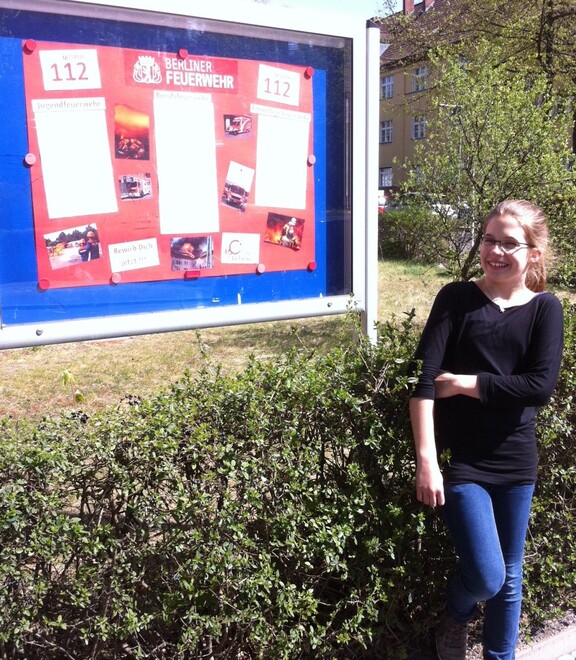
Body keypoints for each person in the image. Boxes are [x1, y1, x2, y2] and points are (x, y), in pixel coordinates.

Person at [409, 200, 563, 660]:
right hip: (464, 465)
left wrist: (467, 383)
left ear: (533, 253)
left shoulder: (544, 309)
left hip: (517, 462)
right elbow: (422, 384)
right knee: (487, 577)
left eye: (509, 243)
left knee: (511, 576)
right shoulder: (456, 299)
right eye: (489, 239)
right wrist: (427, 463)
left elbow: (539, 387)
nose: (495, 251)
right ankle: (456, 612)